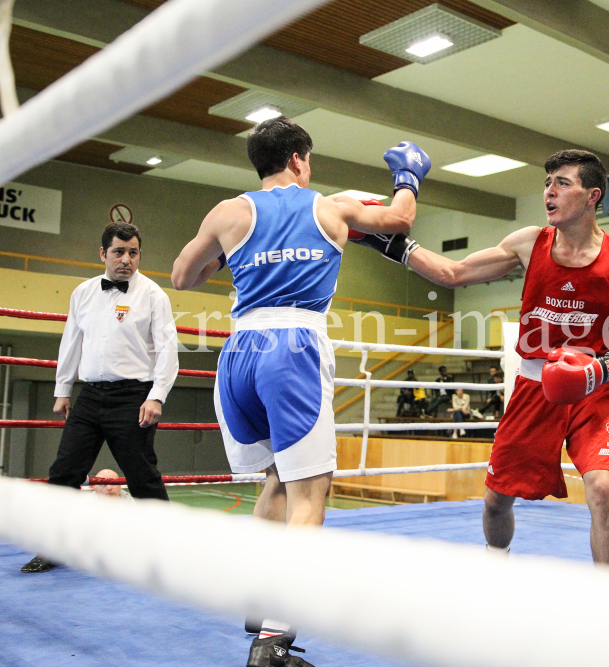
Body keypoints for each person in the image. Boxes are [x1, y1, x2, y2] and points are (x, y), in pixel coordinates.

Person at [170, 116, 427, 666]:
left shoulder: (228, 212)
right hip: (294, 349)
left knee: (275, 481)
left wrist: (232, 253)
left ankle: (260, 600)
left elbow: (181, 277)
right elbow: (400, 221)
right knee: (311, 492)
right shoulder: (327, 208)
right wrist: (408, 174)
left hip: (238, 351)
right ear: (297, 161)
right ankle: (275, 639)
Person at [402, 149, 609, 568]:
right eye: (547, 183)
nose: (549, 192)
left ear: (593, 196)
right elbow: (456, 272)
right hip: (535, 389)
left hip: (594, 390)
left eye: (562, 183)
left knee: (603, 490)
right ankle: (496, 564)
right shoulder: (528, 243)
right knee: (497, 500)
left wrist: (599, 369)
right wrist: (395, 244)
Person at [21, 222, 179, 576]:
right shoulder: (83, 292)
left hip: (133, 396)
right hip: (90, 396)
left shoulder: (154, 295)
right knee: (63, 472)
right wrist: (63, 389)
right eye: (119, 252)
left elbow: (169, 351)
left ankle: (169, 550)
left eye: (133, 252)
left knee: (143, 477)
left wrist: (157, 397)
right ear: (103, 253)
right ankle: (52, 547)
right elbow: (71, 342)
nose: (126, 259)